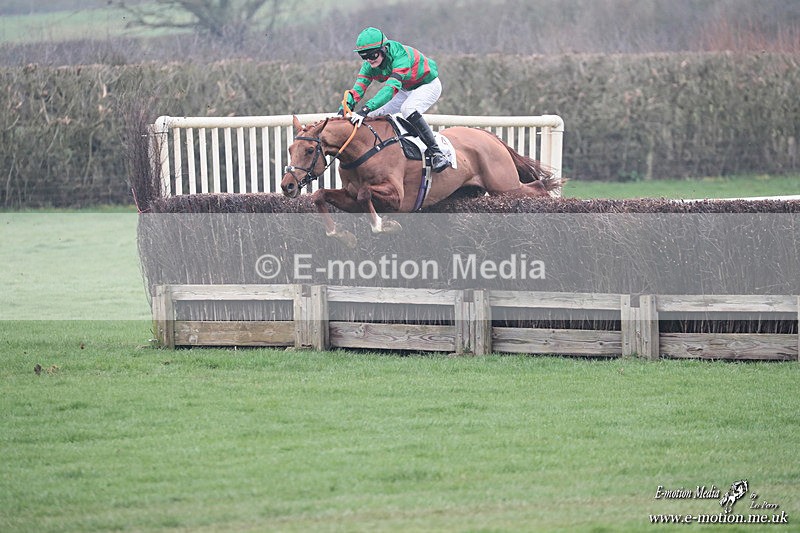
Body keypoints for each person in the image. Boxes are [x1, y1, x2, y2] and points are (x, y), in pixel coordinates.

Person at [340, 27, 449, 172]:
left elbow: (390, 89)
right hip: (405, 88)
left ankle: (437, 153)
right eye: (363, 56)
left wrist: (365, 109)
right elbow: (357, 89)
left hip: (427, 85)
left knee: (408, 109)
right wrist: (345, 107)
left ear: (384, 49)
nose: (369, 60)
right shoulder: (368, 66)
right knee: (372, 115)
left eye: (372, 55)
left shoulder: (400, 55)